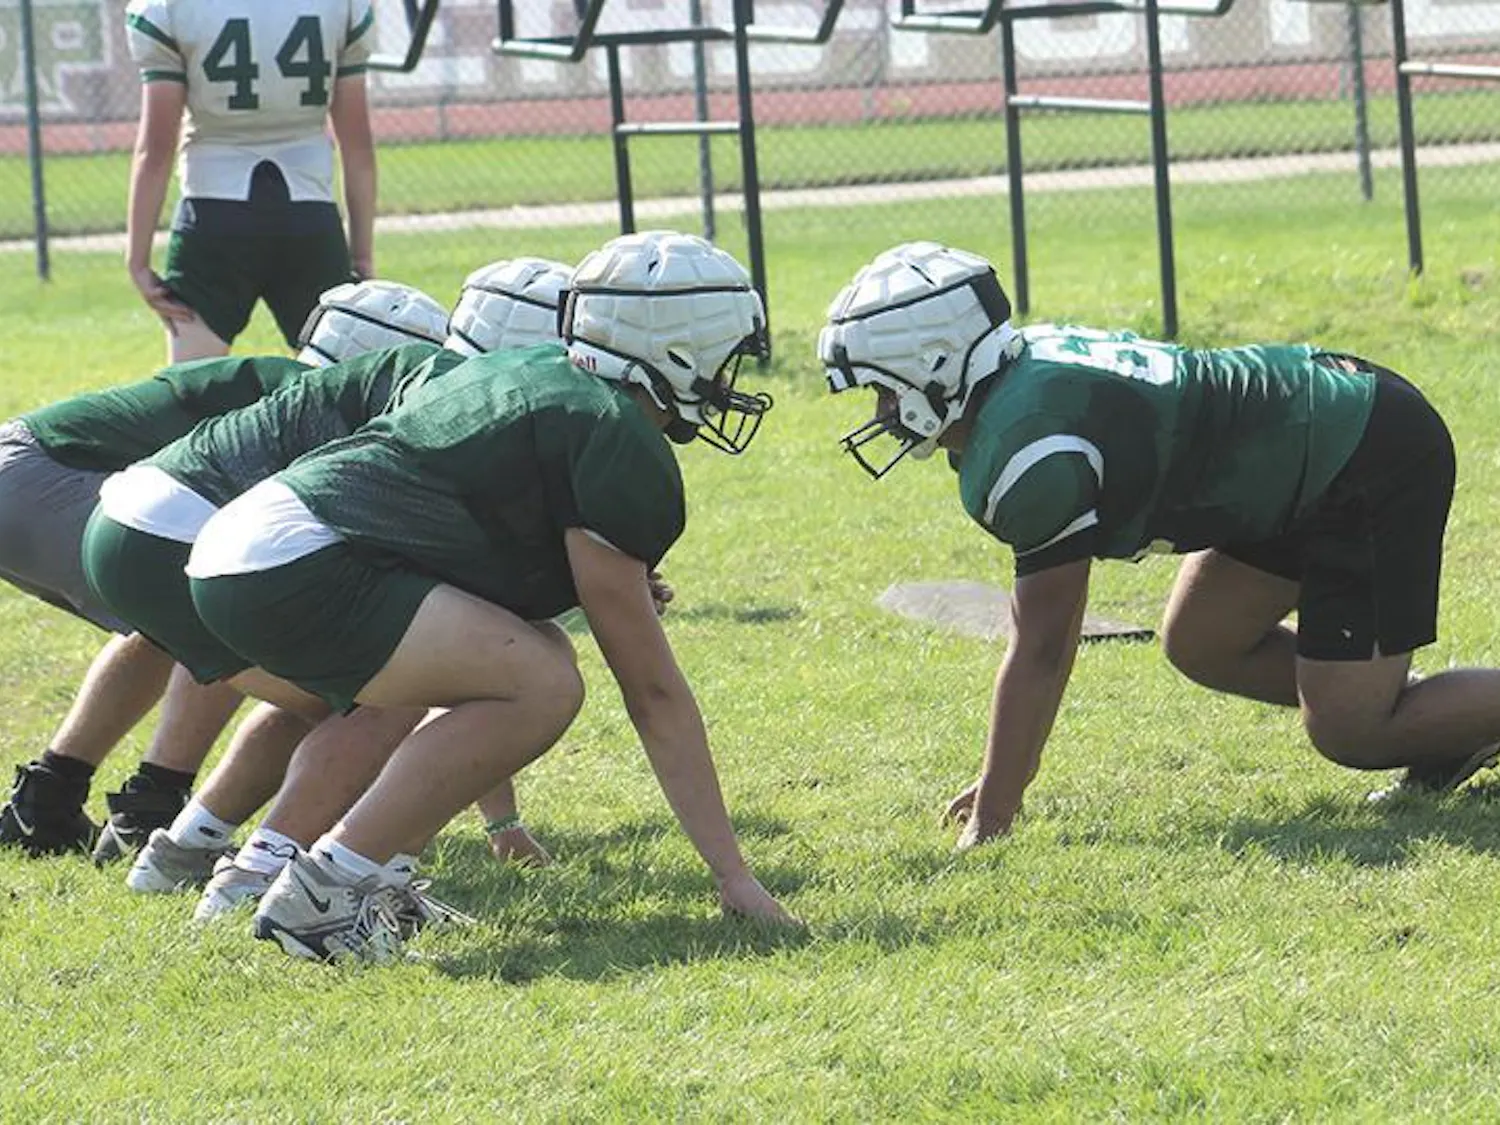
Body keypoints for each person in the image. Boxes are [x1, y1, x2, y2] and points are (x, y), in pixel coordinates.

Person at [184, 230, 793, 962]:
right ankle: (327, 889)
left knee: (532, 652)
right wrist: (733, 873)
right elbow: (653, 692)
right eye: (724, 355)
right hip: (300, 556)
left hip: (253, 546)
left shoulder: (542, 376)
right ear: (680, 349)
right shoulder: (614, 435)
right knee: (543, 683)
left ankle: (366, 876)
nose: (728, 379)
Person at [820, 240, 1500, 851]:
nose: (880, 409)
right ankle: (1450, 723)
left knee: (1350, 731)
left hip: (1361, 456)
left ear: (937, 365)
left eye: (884, 388)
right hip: (1302, 447)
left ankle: (1411, 714)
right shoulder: (1015, 376)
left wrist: (995, 808)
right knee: (1203, 639)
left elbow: (1045, 646)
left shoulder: (1027, 449)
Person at [84, 259, 572, 911]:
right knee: (386, 694)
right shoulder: (462, 410)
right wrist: (501, 821)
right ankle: (270, 875)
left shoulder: (417, 383)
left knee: (330, 688)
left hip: (129, 522)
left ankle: (186, 850)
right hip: (188, 535)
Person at [0, 280, 447, 861]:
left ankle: (47, 802)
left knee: (167, 622)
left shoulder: (276, 381)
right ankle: (153, 803)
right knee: (230, 597)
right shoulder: (311, 404)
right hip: (41, 482)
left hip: (27, 479)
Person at [124, 0, 377, 362]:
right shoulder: (343, 7)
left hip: (213, 215)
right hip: (309, 216)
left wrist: (137, 259)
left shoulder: (167, 9)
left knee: (194, 394)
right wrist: (362, 254)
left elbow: (155, 150)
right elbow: (358, 147)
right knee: (336, 386)